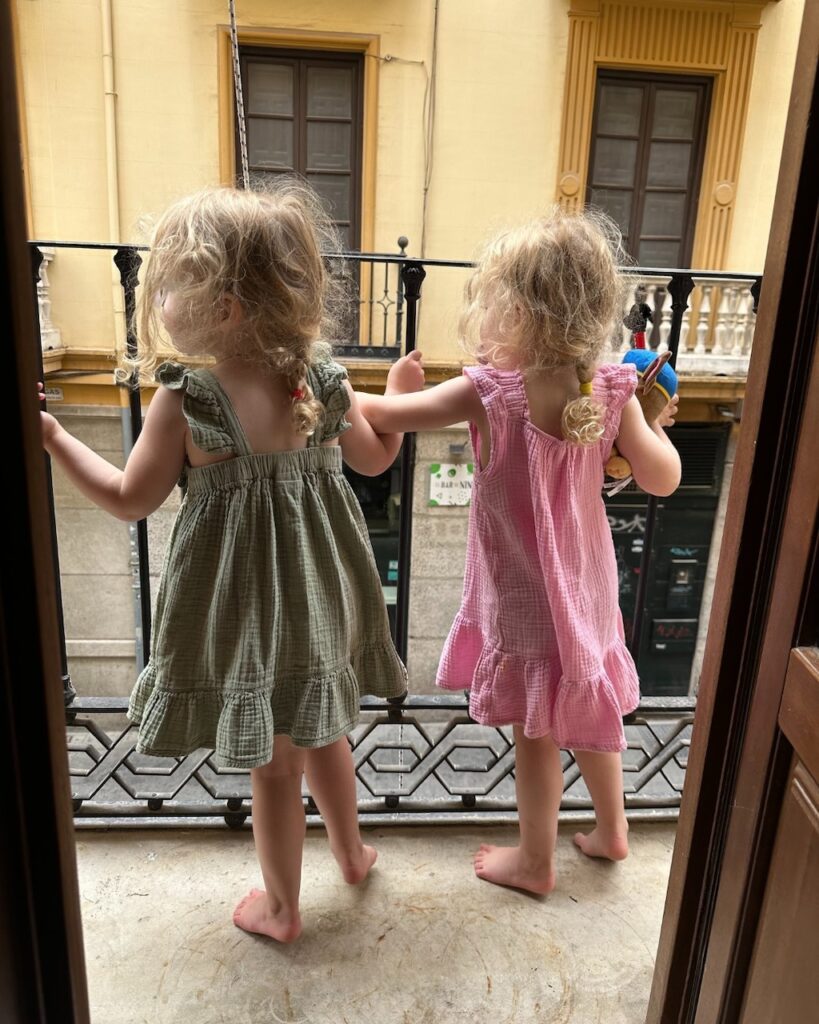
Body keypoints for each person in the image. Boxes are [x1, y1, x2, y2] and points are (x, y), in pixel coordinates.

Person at [39, 183, 423, 940]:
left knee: (275, 765)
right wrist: (401, 404)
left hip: (244, 610)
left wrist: (53, 437)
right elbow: (376, 462)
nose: (163, 300)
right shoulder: (320, 377)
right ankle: (350, 853)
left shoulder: (187, 399)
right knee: (323, 732)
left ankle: (281, 910)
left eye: (176, 282)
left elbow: (127, 499)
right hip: (322, 599)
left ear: (228, 305)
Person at [357, 208, 681, 894]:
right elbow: (660, 478)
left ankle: (534, 862)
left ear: (511, 310)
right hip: (590, 588)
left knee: (536, 731)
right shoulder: (610, 387)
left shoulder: (489, 392)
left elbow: (378, 421)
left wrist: (392, 390)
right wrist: (649, 425)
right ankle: (611, 831)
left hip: (527, 597)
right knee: (587, 703)